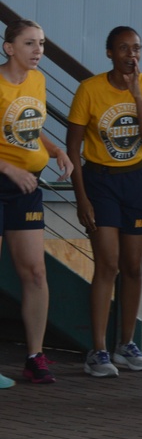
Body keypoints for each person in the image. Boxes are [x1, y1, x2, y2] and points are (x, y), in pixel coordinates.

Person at [66, 26, 142, 377]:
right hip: (100, 181)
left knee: (133, 266)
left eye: (136, 48)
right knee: (108, 264)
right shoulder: (90, 89)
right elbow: (73, 148)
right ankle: (98, 350)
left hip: (135, 181)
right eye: (123, 48)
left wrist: (137, 96)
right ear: (109, 53)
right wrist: (81, 198)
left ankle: (126, 344)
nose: (131, 55)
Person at [0, 19, 73, 386]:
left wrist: (56, 149)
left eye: (41, 43)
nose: (38, 50)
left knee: (36, 273)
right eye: (30, 43)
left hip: (26, 188)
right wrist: (9, 169)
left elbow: (29, 128)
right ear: (9, 47)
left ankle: (34, 357)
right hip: (5, 178)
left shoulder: (37, 81)